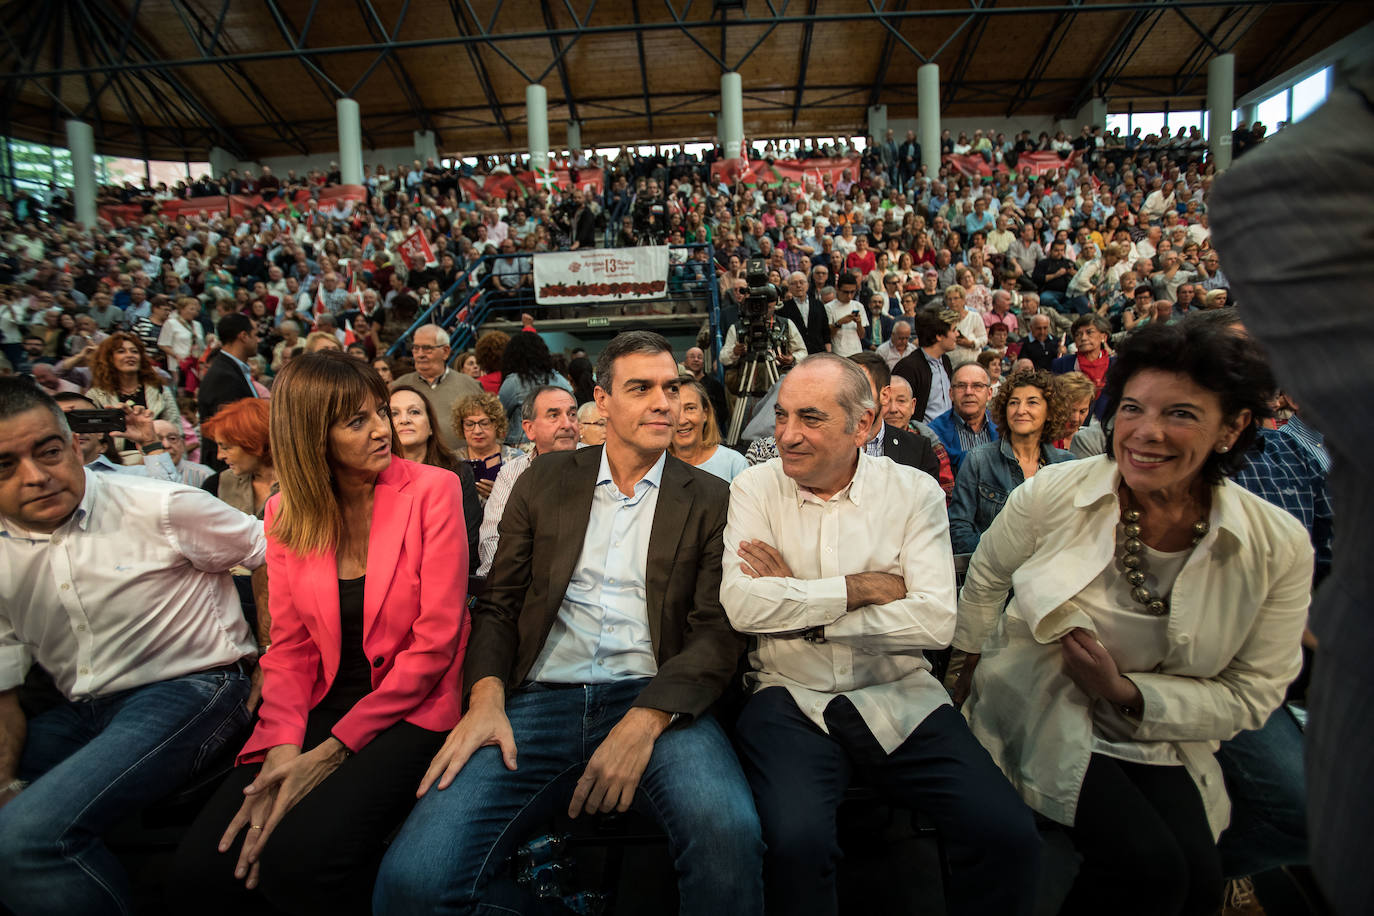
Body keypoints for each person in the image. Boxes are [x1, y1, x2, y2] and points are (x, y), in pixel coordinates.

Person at [374, 331, 764, 915]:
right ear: (601, 402)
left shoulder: (710, 497)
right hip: (536, 701)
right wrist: (484, 698)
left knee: (729, 839)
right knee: (412, 882)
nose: (666, 403)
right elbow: (500, 602)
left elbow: (715, 630)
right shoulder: (545, 481)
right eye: (642, 388)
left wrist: (647, 720)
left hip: (660, 700)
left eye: (672, 387)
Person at [951, 321, 1312, 916]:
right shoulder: (1055, 493)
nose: (1146, 433)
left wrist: (1127, 692)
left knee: (1195, 882)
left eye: (1181, 414)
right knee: (1150, 869)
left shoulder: (1275, 546)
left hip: (1163, 731)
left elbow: (1253, 695)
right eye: (1131, 408)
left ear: (1233, 427)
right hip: (1044, 703)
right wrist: (961, 673)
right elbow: (987, 576)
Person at [720, 354, 1041, 916]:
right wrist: (859, 588)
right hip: (791, 694)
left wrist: (800, 601)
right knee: (795, 846)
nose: (788, 436)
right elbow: (744, 607)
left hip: (900, 693)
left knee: (1007, 834)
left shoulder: (913, 492)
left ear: (864, 426)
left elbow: (935, 622)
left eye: (811, 419)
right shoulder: (754, 488)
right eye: (783, 416)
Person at [169, 352, 470, 915]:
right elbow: (289, 649)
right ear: (311, 434)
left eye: (379, 411)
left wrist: (327, 755)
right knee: (206, 868)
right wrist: (284, 750)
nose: (383, 429)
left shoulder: (434, 489)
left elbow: (435, 644)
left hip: (412, 707)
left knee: (302, 858)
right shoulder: (284, 512)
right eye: (357, 421)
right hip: (316, 705)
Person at [0, 378, 262, 916]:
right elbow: (4, 693)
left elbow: (273, 552)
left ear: (75, 446)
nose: (36, 476)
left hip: (192, 689)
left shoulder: (159, 503)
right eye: (5, 464)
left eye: (48, 451)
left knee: (29, 838)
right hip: (78, 710)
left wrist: (275, 659)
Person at [948, 368, 1074, 553]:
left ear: (1049, 411)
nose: (1021, 410)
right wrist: (997, 561)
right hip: (995, 574)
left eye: (1032, 402)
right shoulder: (978, 460)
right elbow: (959, 528)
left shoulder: (1067, 465)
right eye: (1014, 403)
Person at [476, 386, 582, 578]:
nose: (567, 424)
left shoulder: (600, 463)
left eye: (572, 414)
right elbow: (492, 538)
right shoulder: (513, 473)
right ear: (529, 428)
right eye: (553, 416)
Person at [389, 385, 483, 570]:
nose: (404, 420)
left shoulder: (458, 473)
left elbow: (469, 540)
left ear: (431, 426)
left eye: (414, 412)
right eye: (393, 414)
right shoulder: (373, 476)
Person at [389, 325, 482, 452]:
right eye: (416, 348)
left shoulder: (470, 385)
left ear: (445, 351)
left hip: (459, 465)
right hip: (411, 466)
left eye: (427, 348)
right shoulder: (397, 387)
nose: (420, 354)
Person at [199, 313, 262, 472]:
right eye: (256, 335)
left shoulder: (230, 370)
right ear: (243, 336)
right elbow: (230, 431)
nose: (258, 340)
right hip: (229, 469)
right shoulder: (224, 376)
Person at [200, 398, 278, 519]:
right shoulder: (217, 484)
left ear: (254, 443)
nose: (219, 456)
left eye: (226, 448)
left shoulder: (301, 484)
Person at [85, 331, 181, 427]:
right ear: (109, 359)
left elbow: (176, 429)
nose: (130, 355)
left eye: (134, 351)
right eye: (121, 351)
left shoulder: (161, 391)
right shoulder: (95, 395)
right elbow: (90, 431)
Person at [496, 332, 573, 447]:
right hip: (557, 441)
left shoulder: (513, 382)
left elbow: (499, 415)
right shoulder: (560, 380)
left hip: (522, 444)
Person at [670, 375, 748, 483]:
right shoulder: (654, 466)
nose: (682, 420)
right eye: (674, 410)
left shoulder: (734, 464)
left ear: (705, 413)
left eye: (690, 408)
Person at [928, 363, 1000, 475]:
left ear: (989, 393)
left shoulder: (1005, 429)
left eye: (977, 386)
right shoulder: (933, 435)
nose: (969, 392)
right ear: (951, 394)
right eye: (961, 386)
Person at [452, 391, 522, 501]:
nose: (477, 431)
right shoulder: (452, 461)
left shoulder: (517, 459)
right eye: (469, 424)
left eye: (484, 423)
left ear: (497, 424)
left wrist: (502, 495)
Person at [892, 308, 956, 423]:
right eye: (954, 330)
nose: (957, 334)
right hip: (923, 436)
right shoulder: (908, 368)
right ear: (939, 336)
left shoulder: (945, 361)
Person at [1052, 314, 1114, 419]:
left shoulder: (1115, 365)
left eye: (1089, 332)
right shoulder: (1061, 364)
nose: (1083, 338)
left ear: (1103, 337)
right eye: (1078, 334)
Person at [1053, 371, 1106, 458]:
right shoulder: (1042, 442)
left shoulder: (1093, 442)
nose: (1076, 419)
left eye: (1082, 411)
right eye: (1070, 411)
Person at [153, 418, 214, 487]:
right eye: (157, 440)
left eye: (172, 438)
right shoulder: (139, 476)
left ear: (182, 444)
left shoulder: (204, 475)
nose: (166, 445)